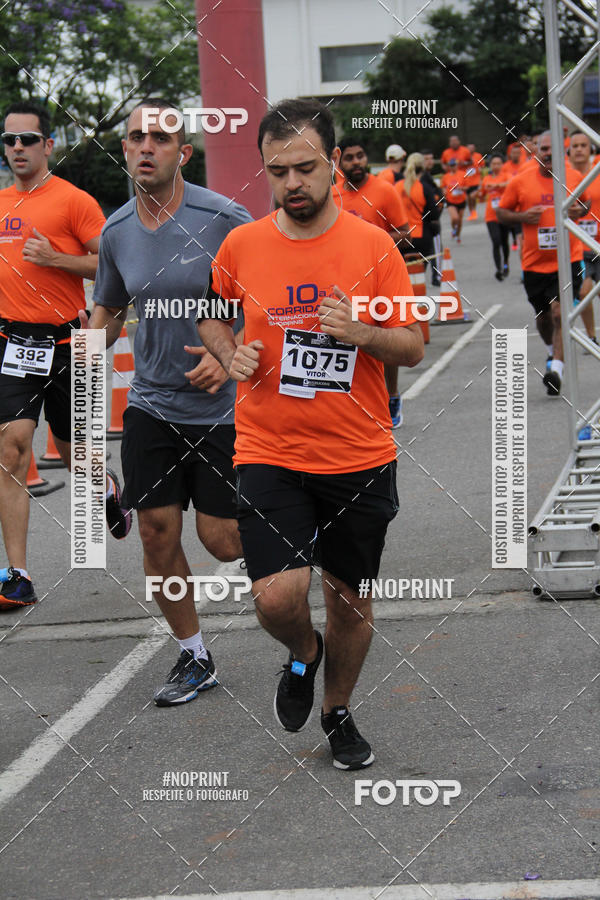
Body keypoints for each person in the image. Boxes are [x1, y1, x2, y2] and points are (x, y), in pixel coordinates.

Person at [198, 97, 424, 770]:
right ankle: (302, 652)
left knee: (350, 601)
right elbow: (211, 315)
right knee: (277, 595)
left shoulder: (371, 245)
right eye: (277, 171)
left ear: (332, 165)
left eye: (304, 168)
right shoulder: (243, 244)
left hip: (358, 454)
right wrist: (228, 348)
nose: (291, 183)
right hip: (270, 448)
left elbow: (412, 345)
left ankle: (338, 710)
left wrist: (361, 333)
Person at [86, 99, 251, 705]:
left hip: (222, 410)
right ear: (125, 150)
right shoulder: (116, 230)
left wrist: (228, 349)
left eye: (160, 137)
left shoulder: (225, 218)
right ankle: (194, 655)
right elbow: (108, 310)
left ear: (184, 152)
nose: (146, 146)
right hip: (151, 405)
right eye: (136, 138)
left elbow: (266, 298)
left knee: (223, 541)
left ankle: (292, 549)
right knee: (156, 531)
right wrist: (78, 350)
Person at [0, 102, 107, 611]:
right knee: (12, 448)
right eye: (8, 141)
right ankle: (17, 574)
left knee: (73, 455)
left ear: (48, 145)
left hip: (68, 342)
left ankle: (105, 488)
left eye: (26, 140)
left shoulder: (74, 202)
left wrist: (57, 258)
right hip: (11, 345)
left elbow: (112, 266)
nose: (16, 148)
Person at [497, 131, 589, 395]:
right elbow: (501, 213)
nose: (548, 153)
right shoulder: (520, 181)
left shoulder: (573, 178)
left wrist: (579, 210)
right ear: (535, 152)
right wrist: (523, 216)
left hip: (567, 259)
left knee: (560, 313)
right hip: (534, 264)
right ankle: (552, 352)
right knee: (543, 317)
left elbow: (587, 203)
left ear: (562, 151)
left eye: (553, 149)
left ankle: (556, 370)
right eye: (543, 149)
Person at [333, 136, 409, 428]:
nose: (356, 163)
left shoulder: (384, 191)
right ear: (339, 162)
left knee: (385, 338)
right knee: (350, 339)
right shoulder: (332, 195)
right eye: (349, 158)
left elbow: (405, 233)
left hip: (383, 276)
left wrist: (372, 243)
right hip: (346, 281)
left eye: (361, 156)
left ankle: (391, 395)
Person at [568, 131, 598, 345]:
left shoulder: (597, 172)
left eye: (583, 145)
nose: (579, 149)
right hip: (578, 246)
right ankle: (592, 337)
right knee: (584, 292)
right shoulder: (563, 176)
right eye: (575, 145)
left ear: (591, 150)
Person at [396, 152, 438, 264]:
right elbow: (433, 214)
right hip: (420, 235)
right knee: (419, 275)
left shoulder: (396, 187)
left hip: (401, 237)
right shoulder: (425, 188)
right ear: (422, 167)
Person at [479, 153, 510, 280]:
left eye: (498, 163)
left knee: (504, 241)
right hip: (491, 216)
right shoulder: (487, 179)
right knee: (496, 241)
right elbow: (482, 193)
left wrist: (497, 186)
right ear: (490, 165)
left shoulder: (505, 176)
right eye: (493, 164)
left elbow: (510, 183)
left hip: (504, 215)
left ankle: (506, 263)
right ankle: (498, 269)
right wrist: (479, 193)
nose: (496, 166)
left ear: (502, 165)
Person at [421, 149, 444, 285]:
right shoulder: (424, 179)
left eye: (431, 158)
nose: (430, 161)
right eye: (426, 159)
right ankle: (436, 276)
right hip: (429, 220)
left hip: (431, 219)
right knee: (434, 249)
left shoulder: (430, 177)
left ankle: (435, 274)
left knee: (433, 249)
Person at [441, 159, 466, 243]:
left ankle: (457, 235)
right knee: (455, 218)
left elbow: (468, 187)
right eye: (451, 166)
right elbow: (443, 187)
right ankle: (453, 229)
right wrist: (444, 191)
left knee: (460, 220)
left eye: (454, 165)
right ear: (449, 167)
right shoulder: (446, 176)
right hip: (451, 200)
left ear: (457, 165)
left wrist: (461, 188)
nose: (453, 167)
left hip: (461, 200)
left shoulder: (462, 174)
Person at [464, 143, 484, 220]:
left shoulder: (478, 155)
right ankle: (471, 212)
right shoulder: (464, 156)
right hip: (466, 181)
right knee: (468, 198)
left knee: (473, 196)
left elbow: (482, 165)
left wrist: (480, 171)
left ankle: (474, 211)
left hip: (476, 180)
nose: (470, 149)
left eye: (472, 148)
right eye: (469, 148)